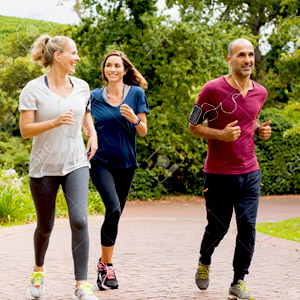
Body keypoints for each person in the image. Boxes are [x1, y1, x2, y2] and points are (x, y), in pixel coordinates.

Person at [188, 38, 272, 300]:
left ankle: (238, 281)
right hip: (218, 174)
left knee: (247, 226)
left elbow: (251, 116)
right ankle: (204, 261)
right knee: (218, 227)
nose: (247, 60)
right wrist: (220, 135)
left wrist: (259, 129)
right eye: (241, 55)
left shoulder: (261, 92)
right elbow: (193, 126)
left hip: (249, 172)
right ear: (229, 59)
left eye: (250, 55)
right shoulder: (212, 89)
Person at [19, 35, 99, 300]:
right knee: (45, 226)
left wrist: (92, 134)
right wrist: (53, 122)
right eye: (73, 53)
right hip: (44, 167)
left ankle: (81, 284)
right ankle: (38, 270)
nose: (77, 58)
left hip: (75, 162)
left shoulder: (82, 86)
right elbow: (25, 130)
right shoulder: (33, 89)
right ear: (58, 56)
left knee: (79, 220)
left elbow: (86, 114)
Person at [89, 50, 149, 291]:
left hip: (127, 164)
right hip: (99, 161)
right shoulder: (93, 96)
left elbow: (143, 130)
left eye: (117, 65)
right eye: (108, 65)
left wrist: (134, 118)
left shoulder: (136, 93)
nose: (112, 69)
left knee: (115, 215)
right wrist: (87, 134)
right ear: (104, 70)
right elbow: (85, 124)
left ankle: (102, 267)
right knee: (112, 208)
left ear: (125, 70)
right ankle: (109, 265)